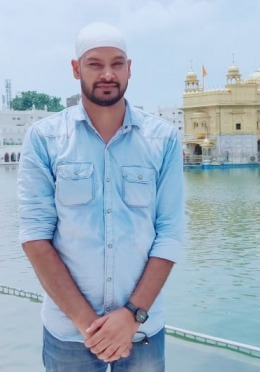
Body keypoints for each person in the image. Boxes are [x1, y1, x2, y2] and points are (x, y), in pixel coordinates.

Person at [17, 22, 184, 371]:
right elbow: (35, 237)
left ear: (129, 69)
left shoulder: (163, 139)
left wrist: (132, 316)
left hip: (142, 330)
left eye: (117, 63)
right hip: (70, 333)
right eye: (95, 64)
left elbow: (168, 233)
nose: (107, 73)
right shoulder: (45, 139)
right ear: (76, 68)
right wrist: (86, 325)